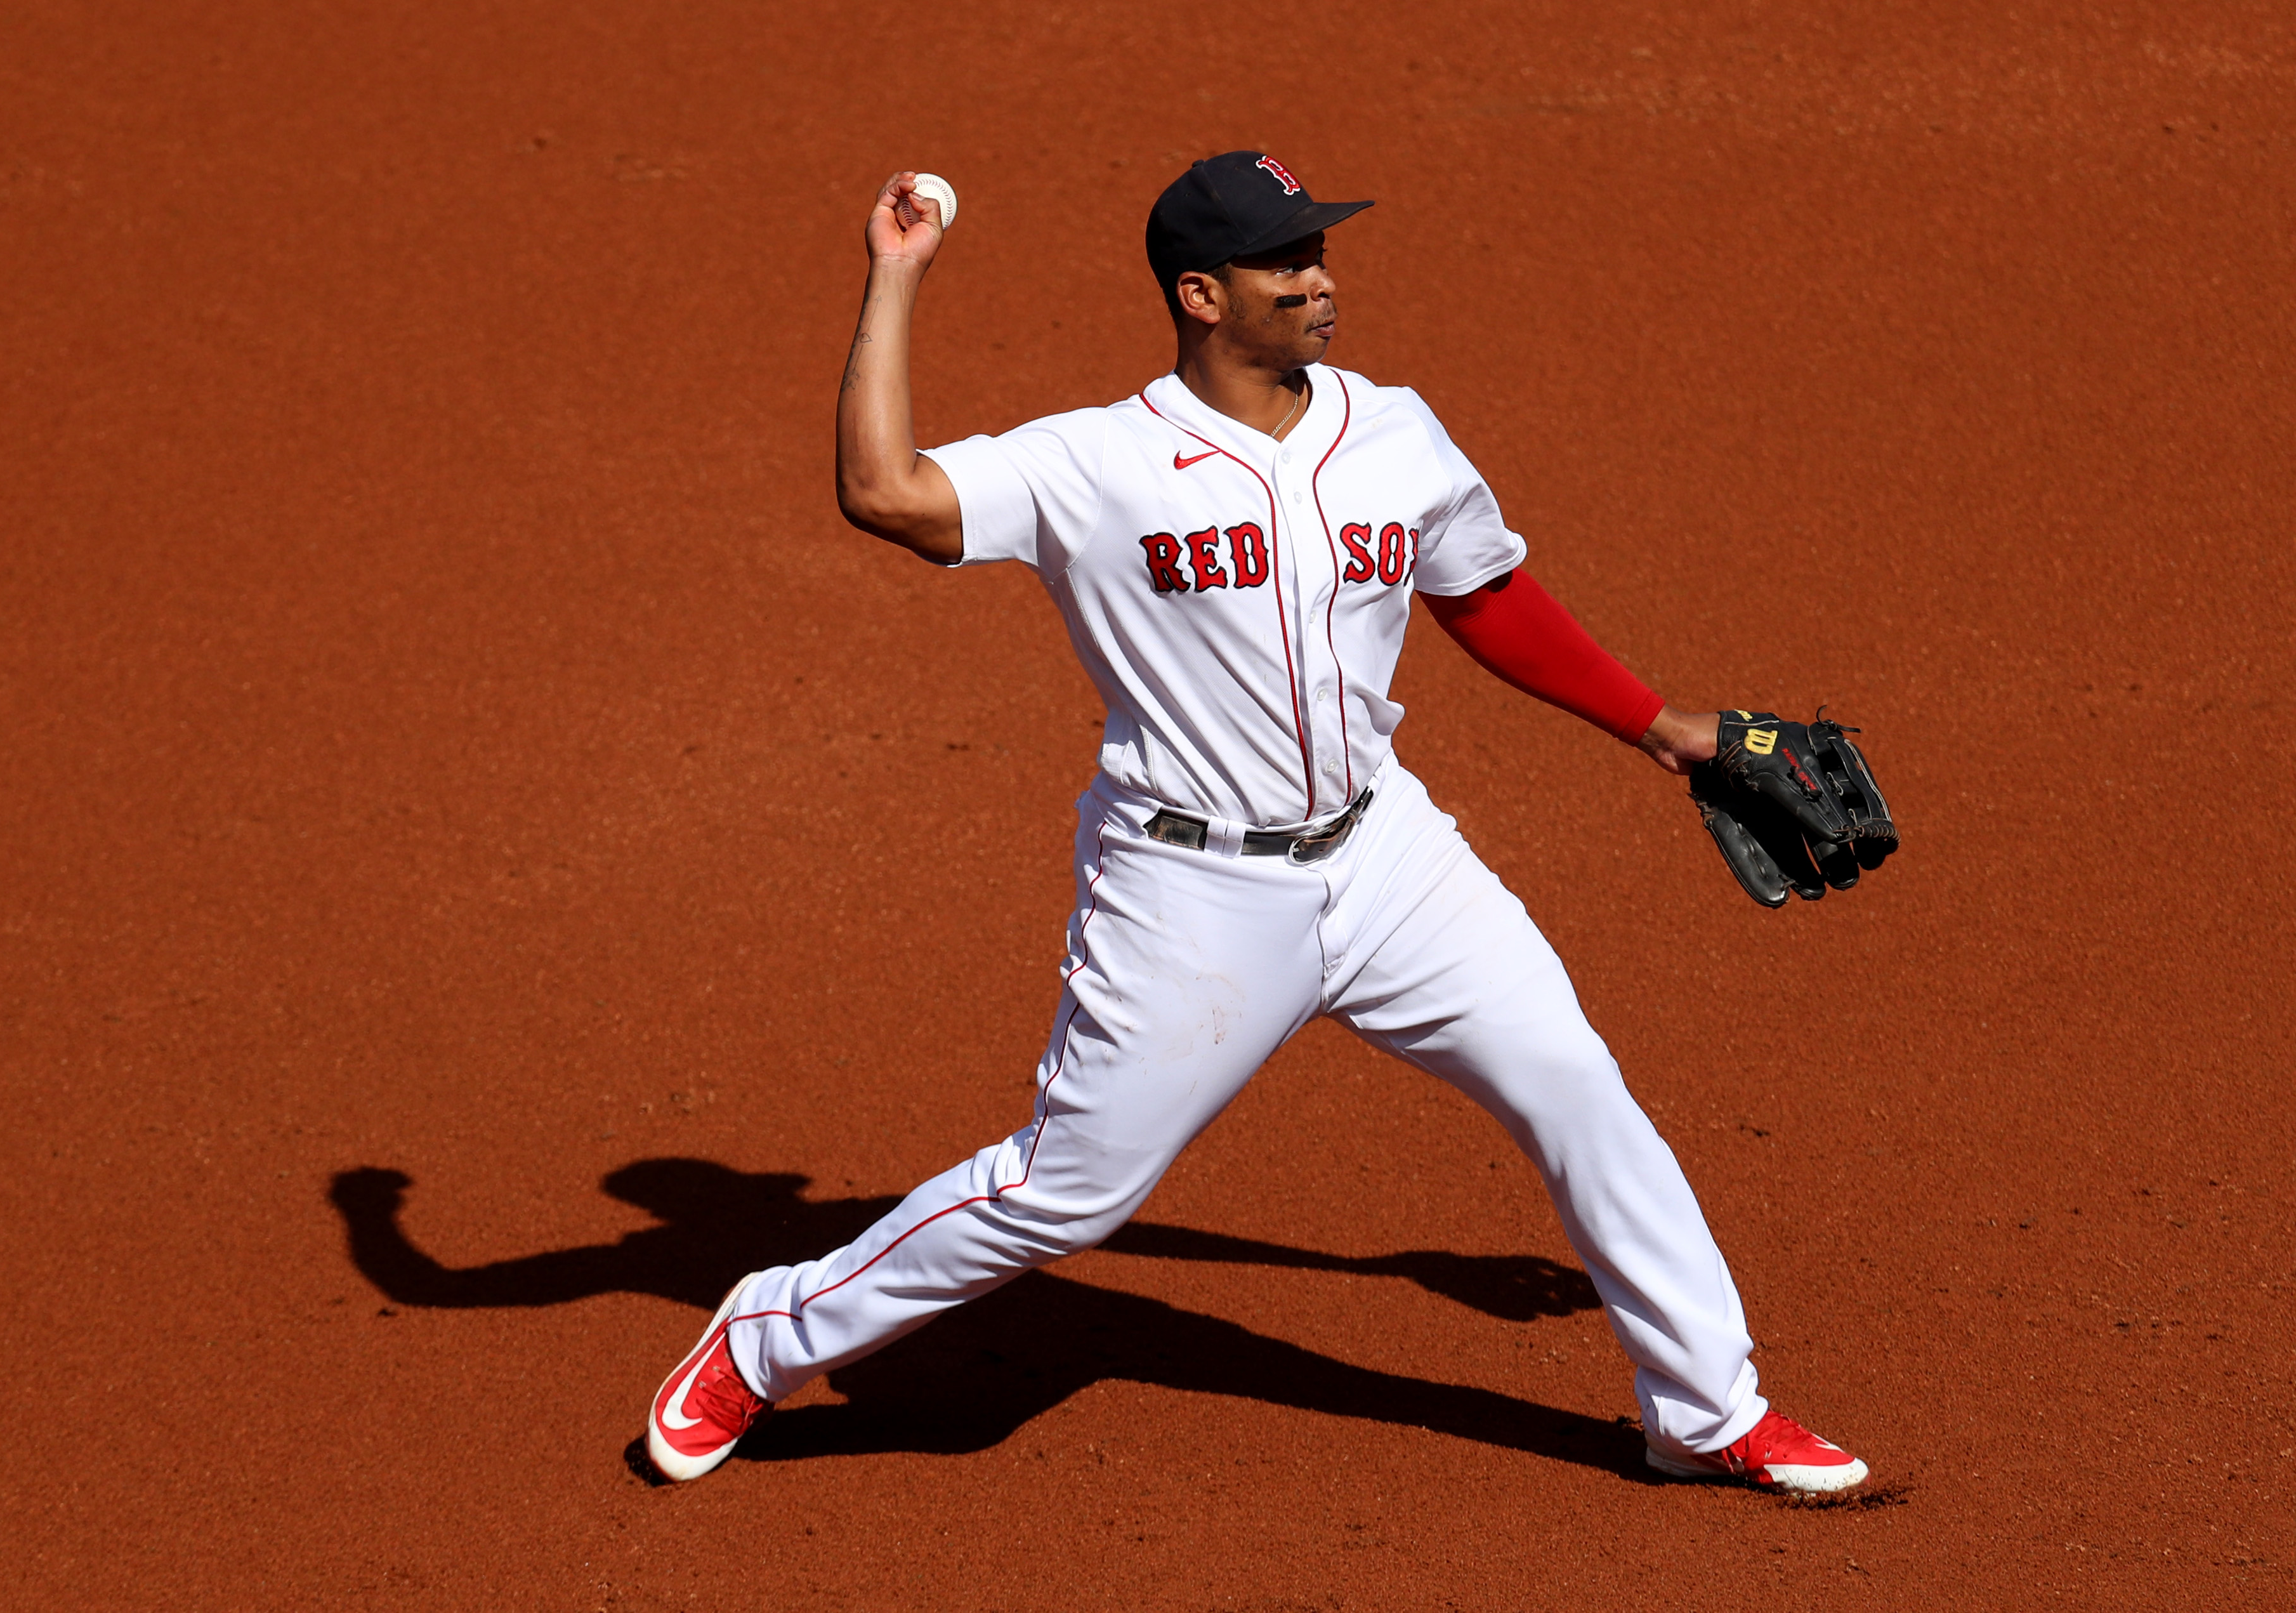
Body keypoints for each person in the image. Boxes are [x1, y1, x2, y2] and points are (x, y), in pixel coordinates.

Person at [645, 152, 1868, 1495]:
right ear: (1201, 294)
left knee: (1571, 1080)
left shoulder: (1391, 428)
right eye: (1287, 264)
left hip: (1386, 853)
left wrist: (1661, 724)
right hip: (1190, 888)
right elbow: (882, 492)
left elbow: (1482, 594)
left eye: (1320, 254)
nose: (1321, 283)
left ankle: (1702, 1407)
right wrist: (894, 277)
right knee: (1069, 1190)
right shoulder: (1098, 462)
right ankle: (767, 1332)